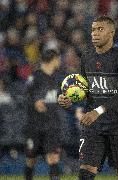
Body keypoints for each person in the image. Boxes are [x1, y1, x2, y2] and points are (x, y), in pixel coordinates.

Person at [57, 16, 118, 180]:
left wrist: (97, 111)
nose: (95, 33)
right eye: (93, 29)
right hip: (93, 126)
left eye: (100, 29)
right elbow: (85, 89)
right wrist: (71, 99)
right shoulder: (86, 57)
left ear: (111, 32)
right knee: (85, 172)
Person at [24, 49, 62, 180]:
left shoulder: (58, 78)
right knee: (31, 159)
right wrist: (35, 102)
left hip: (52, 125)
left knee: (53, 158)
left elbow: (61, 99)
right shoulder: (34, 77)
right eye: (58, 58)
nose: (59, 61)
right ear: (53, 59)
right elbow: (26, 96)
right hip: (35, 126)